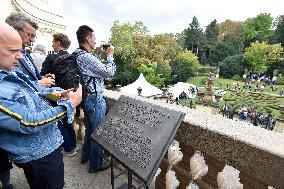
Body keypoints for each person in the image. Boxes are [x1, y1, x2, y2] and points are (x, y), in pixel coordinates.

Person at [0, 23, 82, 188]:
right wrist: (69, 105)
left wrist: (56, 93)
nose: (21, 56)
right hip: (39, 154)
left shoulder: (9, 71)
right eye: (12, 51)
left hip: (45, 146)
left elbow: (32, 91)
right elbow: (29, 121)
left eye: (20, 50)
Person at [75, 25, 116, 173]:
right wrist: (110, 56)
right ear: (88, 38)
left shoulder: (79, 54)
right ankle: (95, 165)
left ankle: (85, 156)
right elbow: (108, 72)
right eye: (94, 38)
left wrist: (98, 53)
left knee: (90, 130)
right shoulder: (85, 57)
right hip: (95, 99)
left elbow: (92, 69)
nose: (95, 41)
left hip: (87, 98)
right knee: (98, 133)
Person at [41, 33, 78, 156]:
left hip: (55, 94)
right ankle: (72, 146)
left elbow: (43, 76)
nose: (52, 44)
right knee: (68, 121)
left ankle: (68, 147)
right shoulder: (72, 58)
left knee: (58, 122)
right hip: (71, 94)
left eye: (53, 42)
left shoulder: (51, 58)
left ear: (58, 43)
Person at [5, 12, 55, 88]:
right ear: (14, 29)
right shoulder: (4, 53)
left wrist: (42, 78)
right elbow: (8, 86)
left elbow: (29, 78)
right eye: (30, 35)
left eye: (34, 37)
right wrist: (38, 84)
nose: (32, 40)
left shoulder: (26, 53)